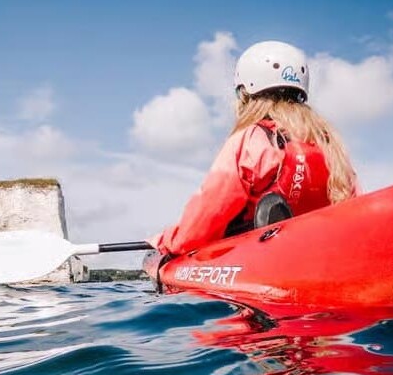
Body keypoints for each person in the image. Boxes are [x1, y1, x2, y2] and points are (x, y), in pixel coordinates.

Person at [148, 40, 359, 259]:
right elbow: (353, 210)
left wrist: (165, 242)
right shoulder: (330, 144)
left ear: (244, 94)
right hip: (322, 255)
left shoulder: (250, 138)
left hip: (260, 260)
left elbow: (205, 217)